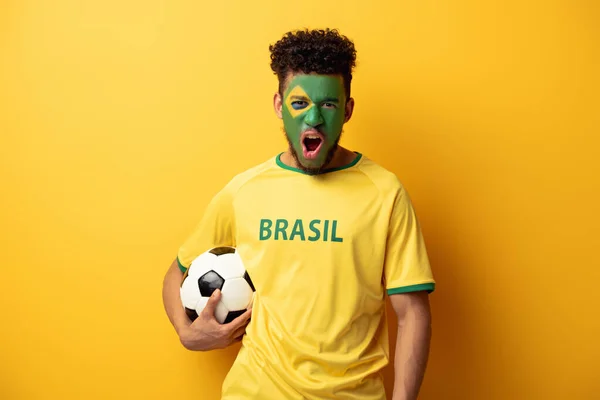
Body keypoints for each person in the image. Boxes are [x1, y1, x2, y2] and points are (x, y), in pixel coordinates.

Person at [162, 28, 435, 400]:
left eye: (328, 105)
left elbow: (412, 312)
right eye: (299, 103)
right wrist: (186, 331)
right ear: (278, 105)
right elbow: (177, 270)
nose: (314, 119)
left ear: (348, 109)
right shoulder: (246, 189)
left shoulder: (384, 192)